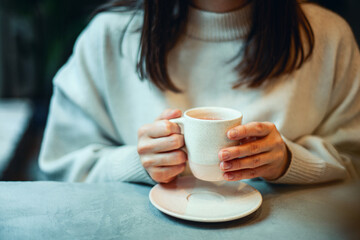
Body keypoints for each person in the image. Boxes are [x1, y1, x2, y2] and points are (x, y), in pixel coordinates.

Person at [39, 0, 360, 185]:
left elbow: (354, 164)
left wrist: (291, 161)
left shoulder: (329, 38)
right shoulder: (108, 38)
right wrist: (136, 163)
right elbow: (59, 171)